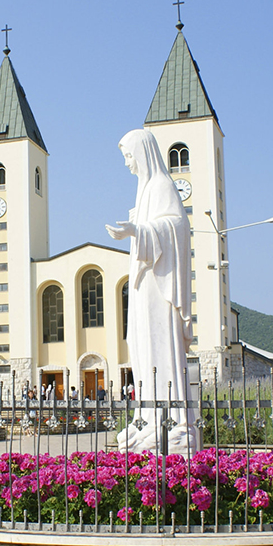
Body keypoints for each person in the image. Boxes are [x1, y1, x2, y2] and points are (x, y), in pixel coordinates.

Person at [106, 129, 197, 455]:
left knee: (158, 348)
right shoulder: (144, 190)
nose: (128, 164)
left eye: (129, 157)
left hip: (159, 288)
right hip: (144, 285)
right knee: (139, 345)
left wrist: (137, 230)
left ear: (143, 154)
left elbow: (176, 226)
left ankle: (170, 421)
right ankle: (147, 416)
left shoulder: (161, 186)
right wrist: (135, 229)